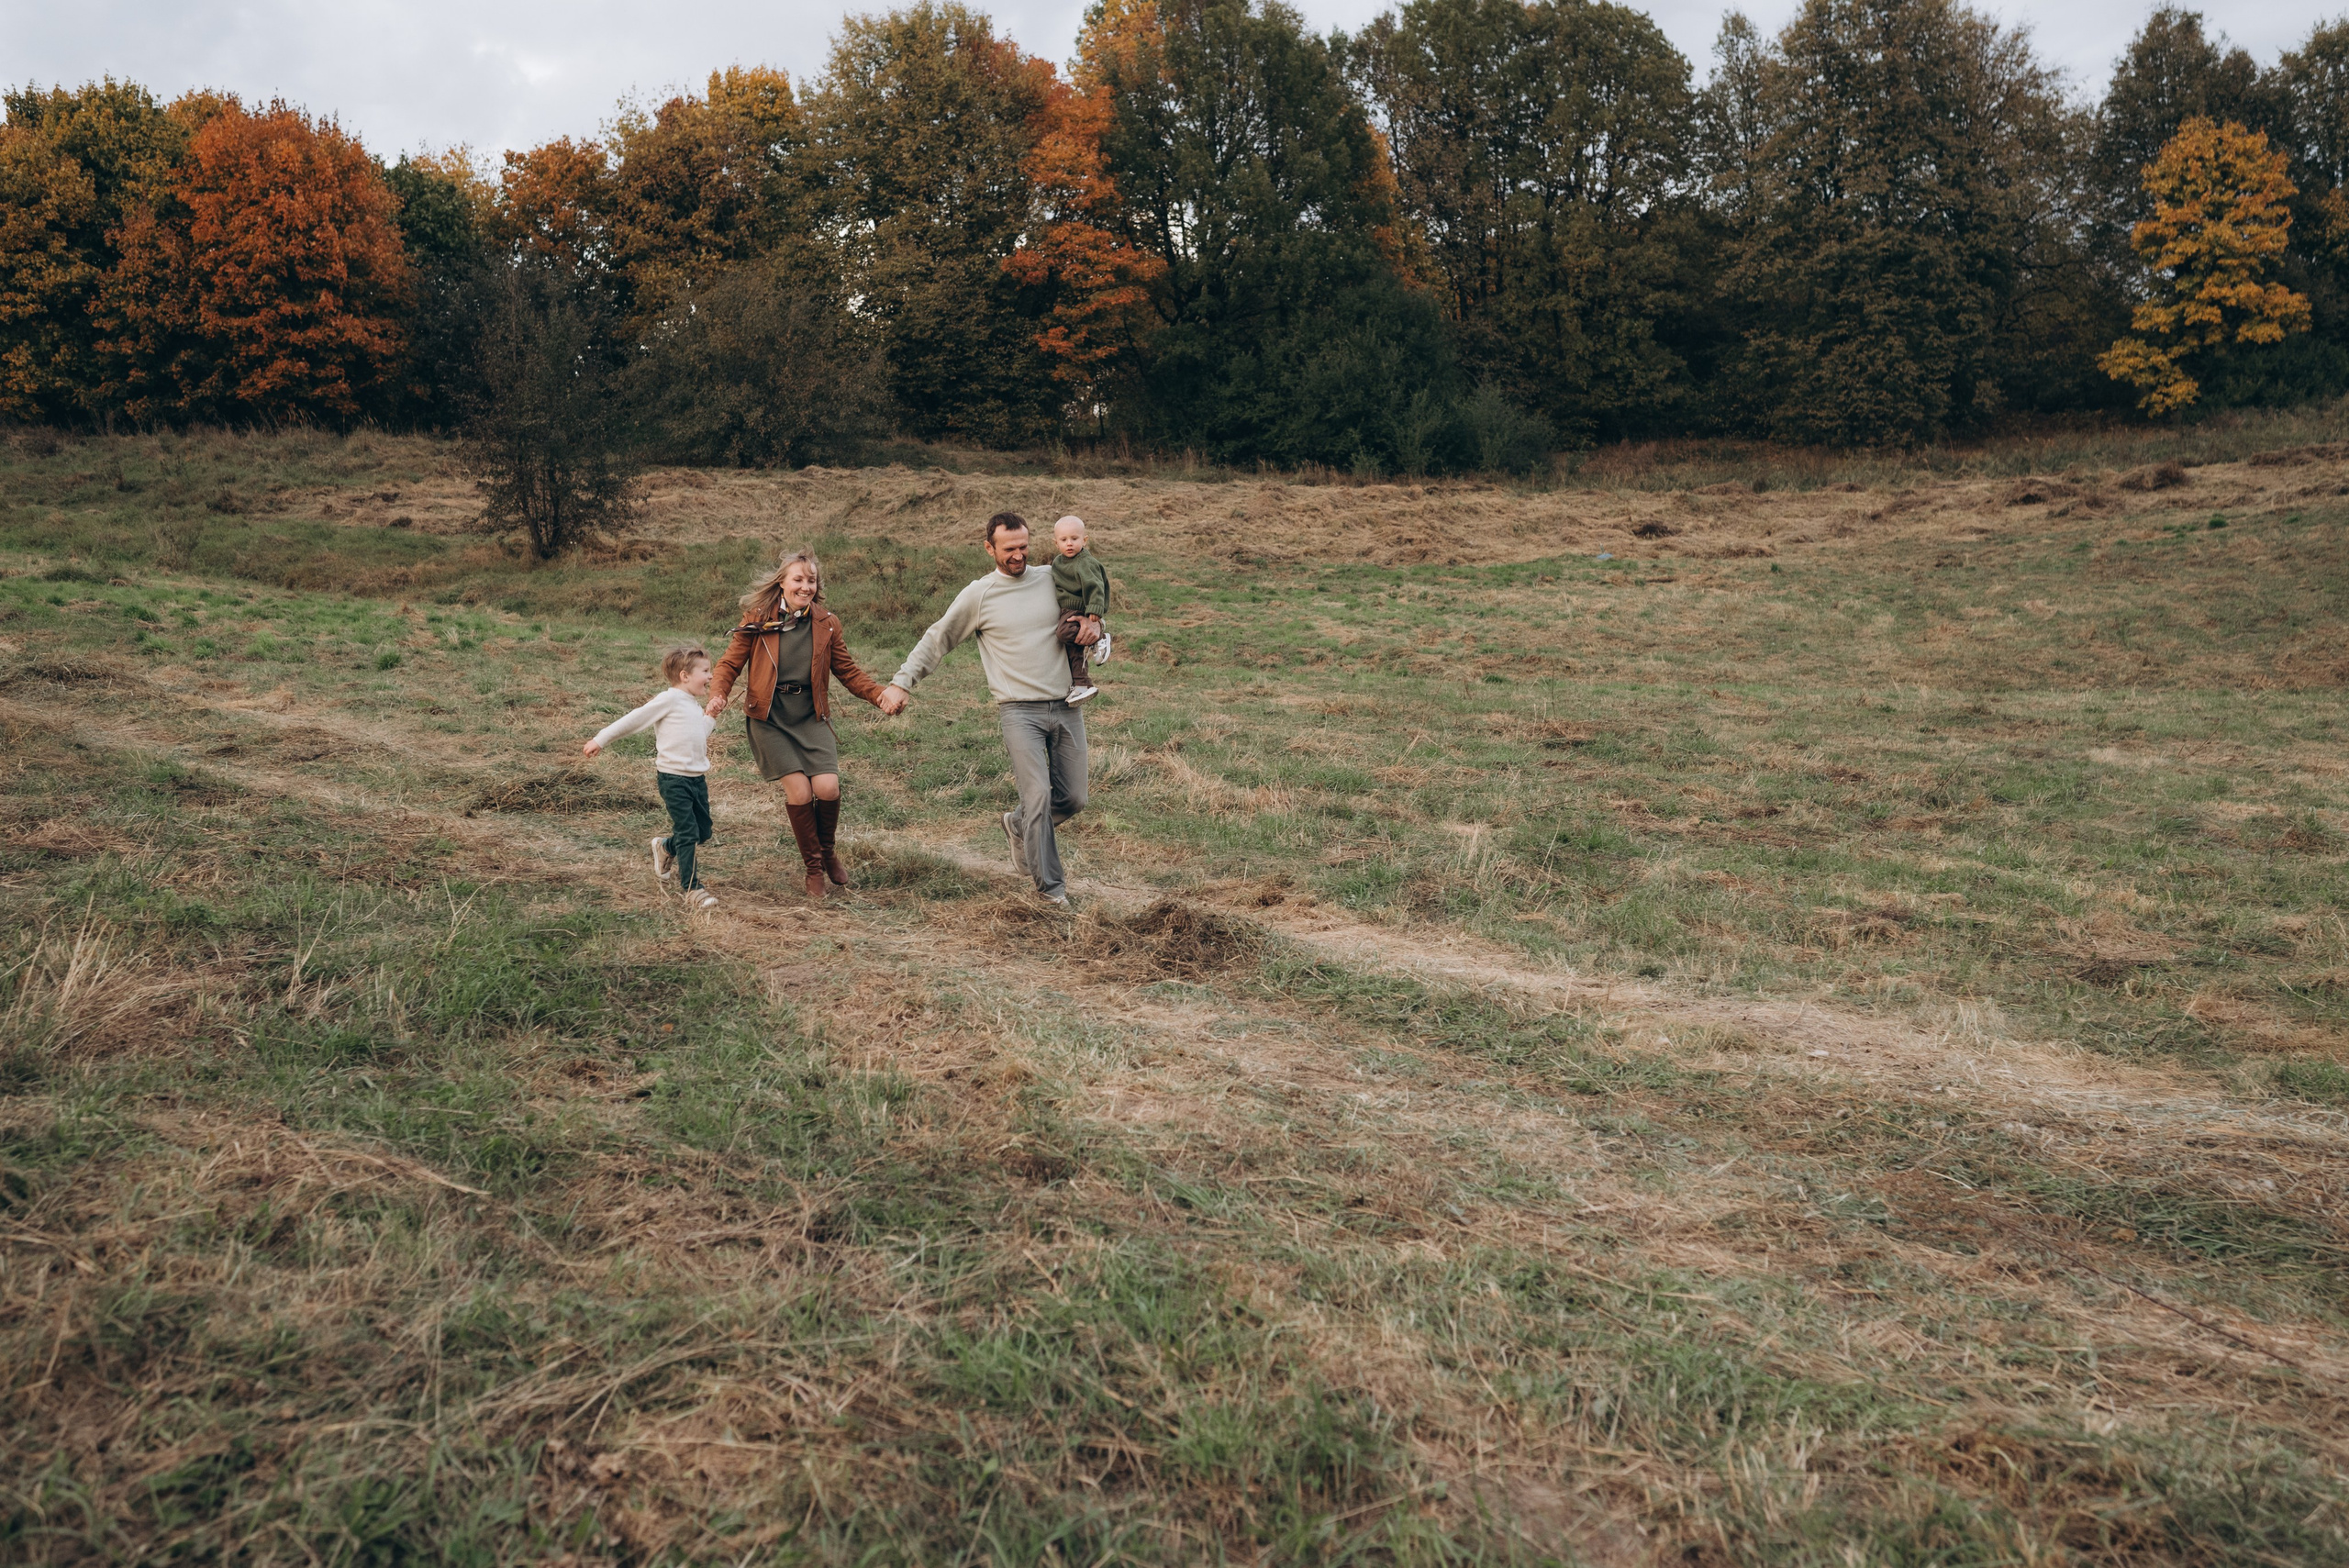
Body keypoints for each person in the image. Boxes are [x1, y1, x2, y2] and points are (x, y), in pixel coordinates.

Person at [880, 512, 1091, 906]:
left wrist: (1095, 627)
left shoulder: (1051, 578)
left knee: (1074, 797)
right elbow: (937, 638)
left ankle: (1016, 824)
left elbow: (1087, 605)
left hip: (1066, 705)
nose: (1018, 556)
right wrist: (902, 681)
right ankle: (1052, 892)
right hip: (1019, 712)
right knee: (1039, 797)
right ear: (989, 548)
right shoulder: (980, 594)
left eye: (1024, 547)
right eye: (1009, 549)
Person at [705, 550, 891, 898]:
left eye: (811, 580)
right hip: (770, 718)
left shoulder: (827, 623)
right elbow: (729, 664)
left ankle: (829, 850)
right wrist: (718, 693)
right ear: (782, 582)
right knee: (801, 792)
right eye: (798, 579)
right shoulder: (758, 619)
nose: (806, 587)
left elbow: (848, 672)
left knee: (828, 788)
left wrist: (878, 695)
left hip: (810, 715)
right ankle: (814, 868)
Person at [582, 642, 720, 911]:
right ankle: (693, 889)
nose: (711, 676)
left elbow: (698, 737)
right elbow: (633, 719)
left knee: (703, 832)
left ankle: (666, 848)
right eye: (705, 671)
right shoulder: (668, 699)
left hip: (697, 779)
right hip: (674, 780)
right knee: (689, 832)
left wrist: (710, 716)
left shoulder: (692, 704)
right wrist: (601, 739)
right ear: (685, 675)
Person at [1050, 514, 1111, 705]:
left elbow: (1096, 585)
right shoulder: (1058, 563)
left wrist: (1094, 610)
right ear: (1055, 543)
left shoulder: (1085, 562)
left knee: (1064, 633)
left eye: (1074, 539)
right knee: (1073, 648)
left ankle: (1099, 639)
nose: (1069, 544)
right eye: (1064, 540)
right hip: (1066, 609)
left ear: (1084, 540)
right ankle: (1082, 684)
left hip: (1080, 609)